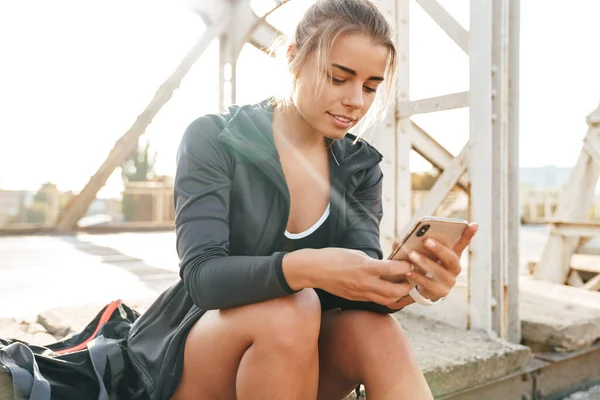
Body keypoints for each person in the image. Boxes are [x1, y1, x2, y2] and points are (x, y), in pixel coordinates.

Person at [125, 0, 478, 399]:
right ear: (293, 58)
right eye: (338, 78)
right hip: (197, 357)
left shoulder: (360, 167)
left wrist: (410, 286)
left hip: (290, 367)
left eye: (370, 87)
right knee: (292, 307)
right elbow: (203, 281)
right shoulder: (215, 138)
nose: (357, 101)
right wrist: (305, 268)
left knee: (376, 330)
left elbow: (353, 288)